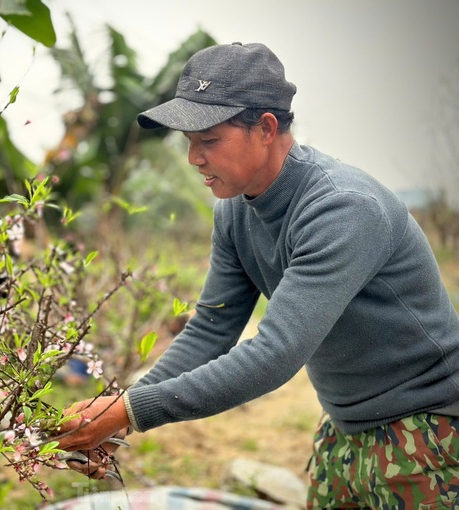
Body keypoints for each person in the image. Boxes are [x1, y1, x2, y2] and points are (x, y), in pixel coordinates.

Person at [54, 42, 459, 509]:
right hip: (344, 428)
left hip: (428, 430)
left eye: (209, 141)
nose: (194, 159)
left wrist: (128, 411)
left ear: (266, 128)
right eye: (189, 143)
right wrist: (122, 413)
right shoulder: (235, 212)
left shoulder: (342, 208)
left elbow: (276, 352)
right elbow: (210, 328)